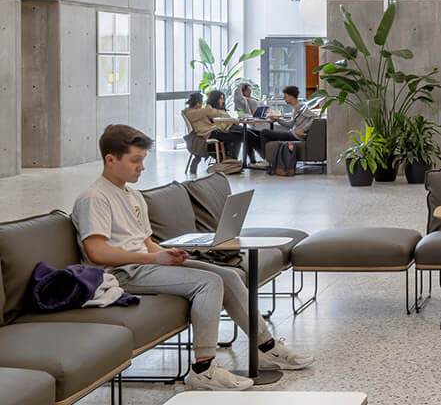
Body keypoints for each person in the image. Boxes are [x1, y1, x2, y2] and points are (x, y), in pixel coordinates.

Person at [73, 125, 311, 391]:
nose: (141, 167)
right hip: (121, 273)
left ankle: (266, 347)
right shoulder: (95, 198)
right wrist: (155, 260)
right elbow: (97, 252)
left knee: (228, 275)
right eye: (135, 161)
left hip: (143, 264)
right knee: (208, 283)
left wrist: (164, 253)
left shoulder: (133, 195)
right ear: (110, 159)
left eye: (142, 160)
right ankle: (204, 369)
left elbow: (146, 242)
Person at [254, 86, 318, 159]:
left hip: (295, 136)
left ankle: (266, 160)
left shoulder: (301, 106)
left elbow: (315, 117)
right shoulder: (296, 108)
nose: (284, 98)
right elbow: (290, 124)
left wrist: (303, 129)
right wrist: (278, 119)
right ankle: (271, 158)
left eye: (285, 96)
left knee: (264, 132)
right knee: (266, 133)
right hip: (292, 133)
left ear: (291, 96)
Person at [183, 91, 245, 163]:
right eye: (201, 102)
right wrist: (209, 105)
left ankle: (230, 160)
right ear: (197, 103)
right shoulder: (194, 112)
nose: (202, 105)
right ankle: (230, 162)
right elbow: (213, 113)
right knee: (239, 136)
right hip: (211, 134)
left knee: (239, 134)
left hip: (213, 132)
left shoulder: (190, 112)